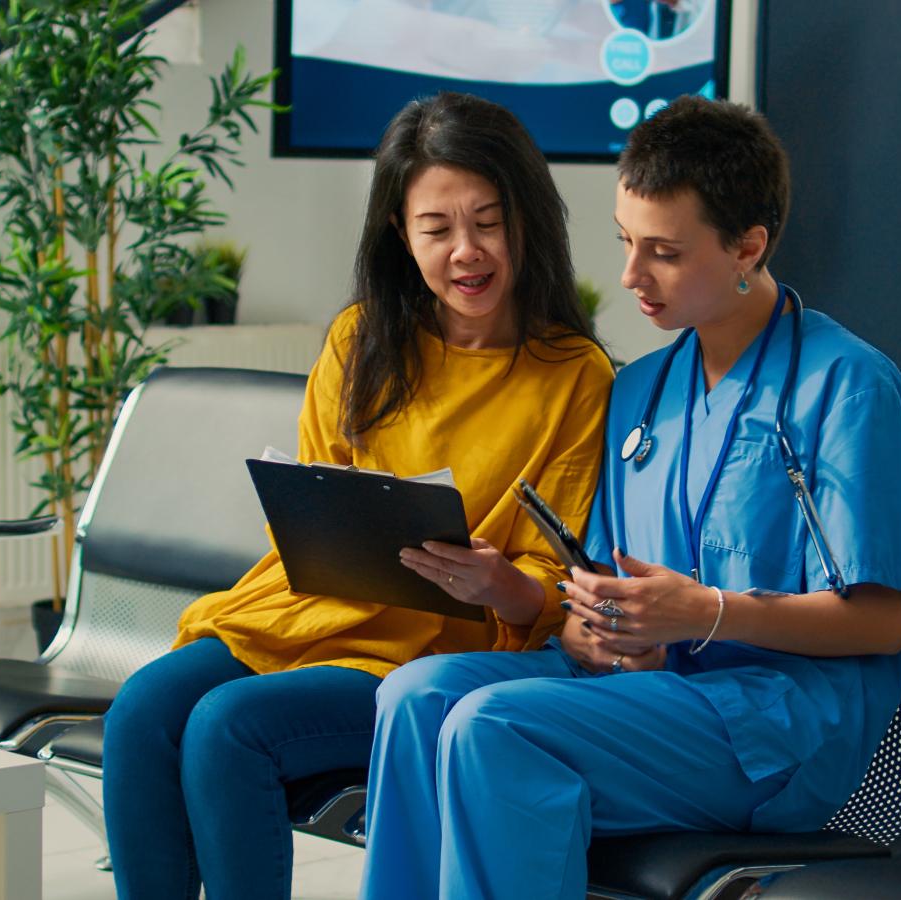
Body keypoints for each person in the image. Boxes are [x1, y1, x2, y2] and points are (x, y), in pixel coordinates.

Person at [360, 96, 901, 899]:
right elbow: (597, 578)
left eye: (662, 252)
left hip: (771, 723)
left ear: (748, 248)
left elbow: (885, 618)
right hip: (644, 689)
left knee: (497, 730)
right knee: (414, 696)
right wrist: (594, 626)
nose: (630, 277)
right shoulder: (641, 390)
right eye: (626, 243)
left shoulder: (848, 387)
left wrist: (707, 614)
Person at [100, 92, 613, 900]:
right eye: (437, 229)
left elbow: (556, 582)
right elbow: (311, 503)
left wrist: (500, 584)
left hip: (431, 652)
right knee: (139, 714)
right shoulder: (360, 340)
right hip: (308, 612)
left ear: (528, 220)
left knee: (225, 729)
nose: (466, 252)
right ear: (400, 236)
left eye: (488, 221)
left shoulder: (575, 375)